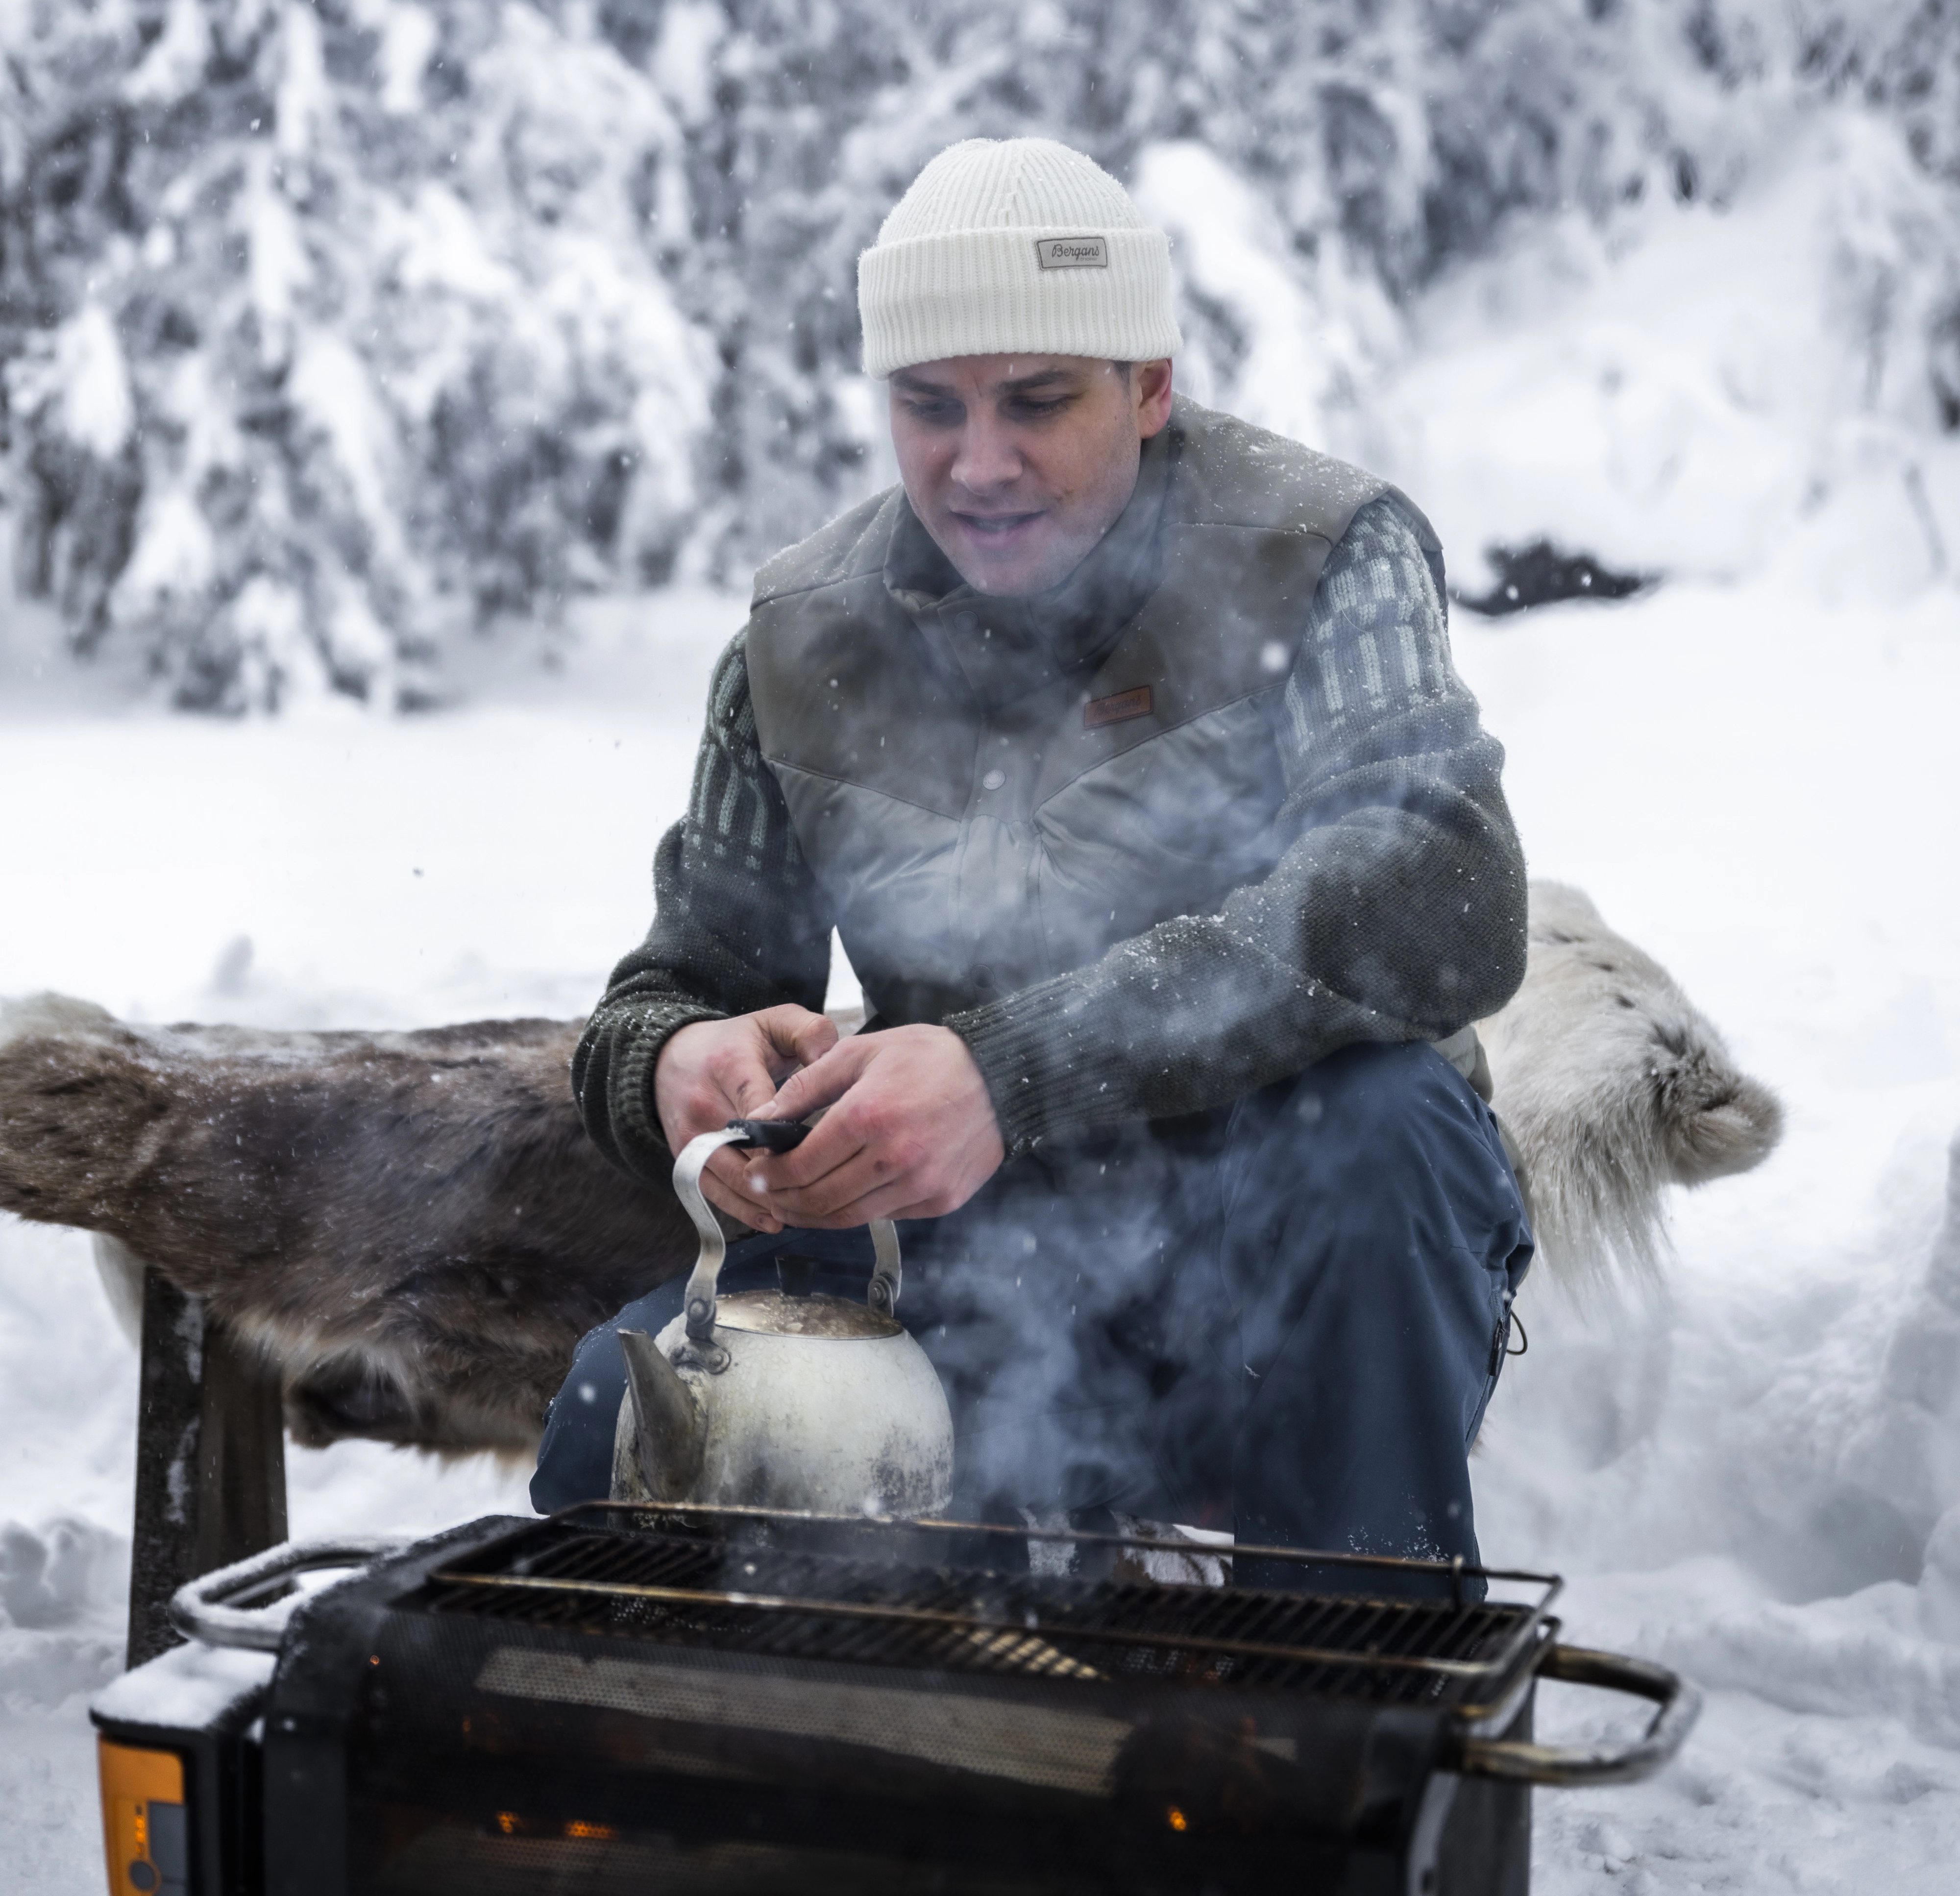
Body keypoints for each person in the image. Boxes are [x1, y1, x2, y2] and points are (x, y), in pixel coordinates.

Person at [530, 137, 1533, 1579]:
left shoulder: (1322, 553)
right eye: (929, 407)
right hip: (962, 1266)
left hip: (1299, 1271)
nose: (978, 462)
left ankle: (1347, 1699)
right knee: (601, 1429)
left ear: (1151, 386)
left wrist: (1010, 1070)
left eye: (1039, 403)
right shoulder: (797, 641)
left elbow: (1443, 887)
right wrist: (677, 1061)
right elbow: (669, 987)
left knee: (1384, 1123)